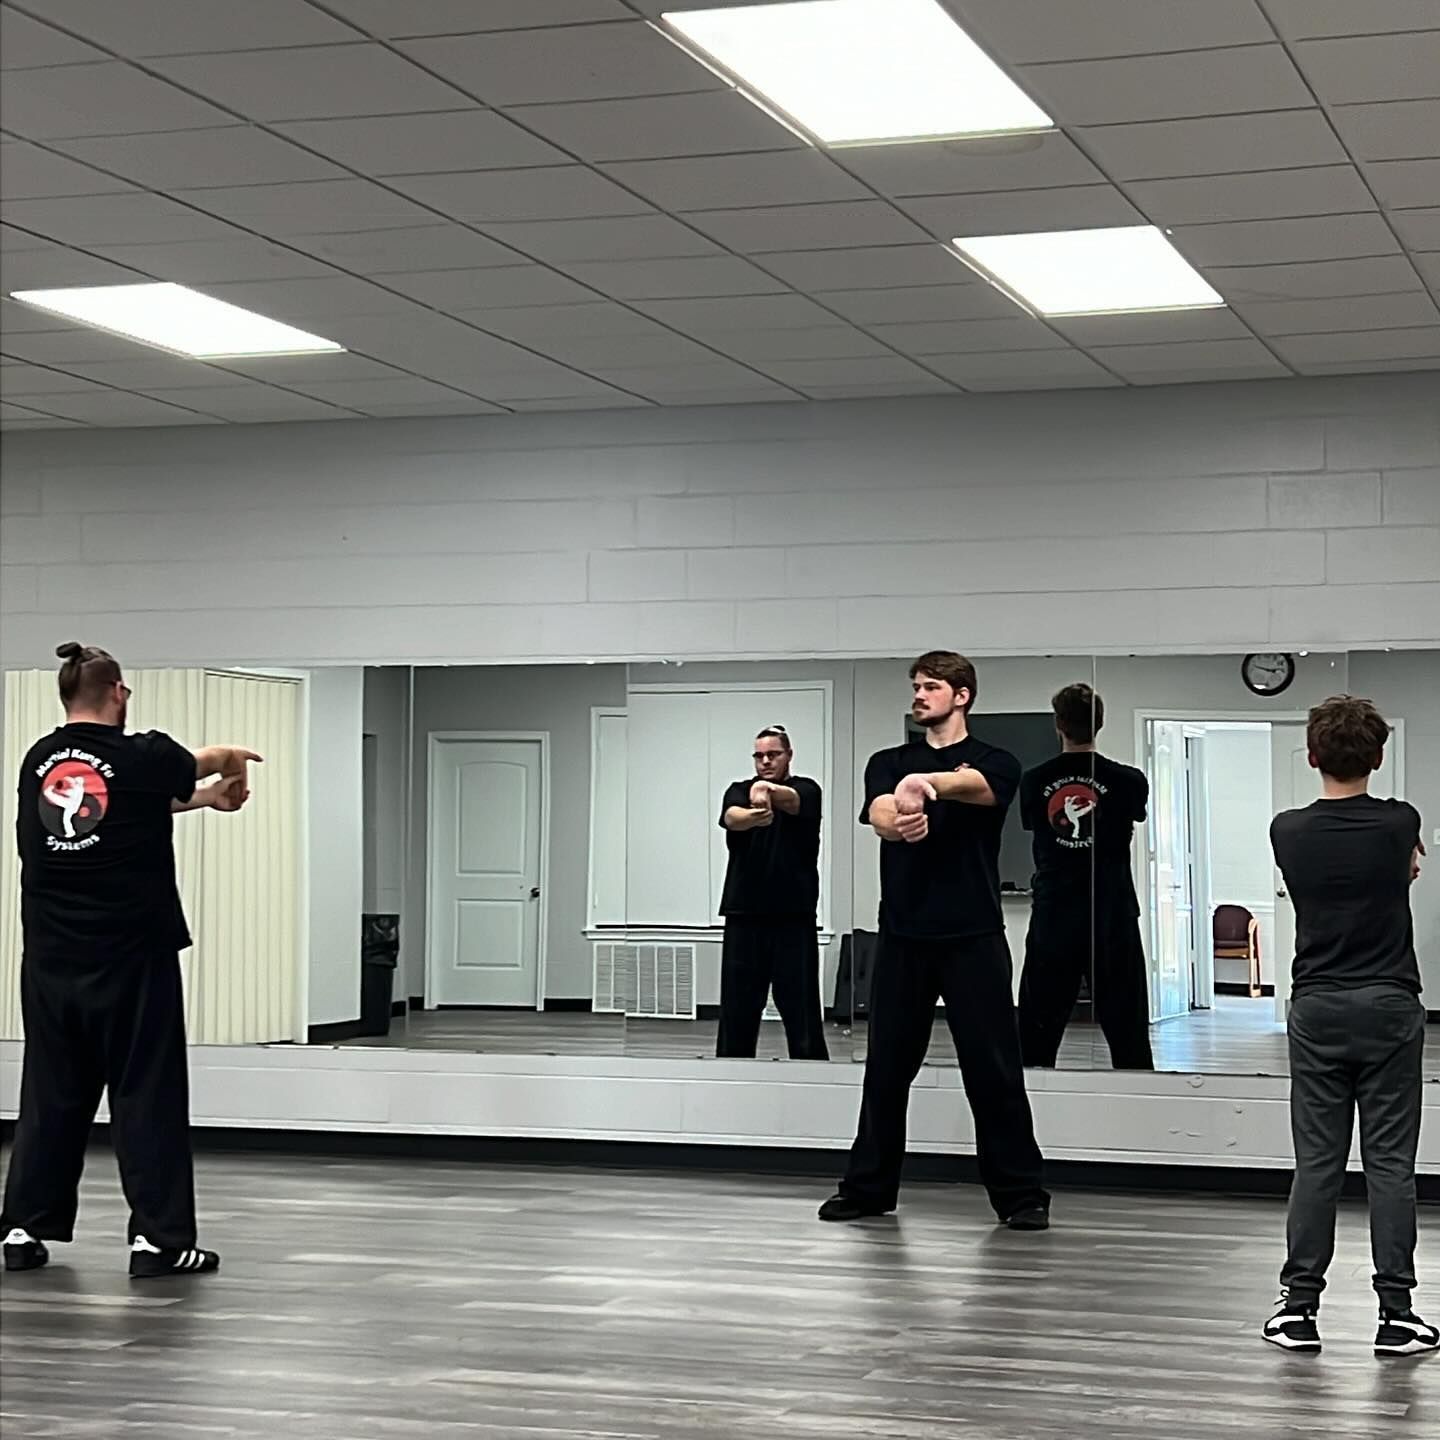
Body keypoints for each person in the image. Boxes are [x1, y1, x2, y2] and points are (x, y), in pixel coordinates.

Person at [2, 643, 261, 1280]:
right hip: (130, 960)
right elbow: (204, 760)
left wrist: (203, 801)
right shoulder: (140, 752)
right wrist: (230, 762)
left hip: (52, 962)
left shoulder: (40, 762)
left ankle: (20, 1228)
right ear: (118, 692)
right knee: (147, 1094)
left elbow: (112, 808)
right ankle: (161, 1241)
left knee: (50, 1095)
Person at [819, 652, 1049, 1229]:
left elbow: (975, 785)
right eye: (916, 687)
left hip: (973, 937)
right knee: (887, 1069)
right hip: (903, 937)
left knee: (993, 1070)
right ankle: (868, 1188)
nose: (919, 695)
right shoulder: (888, 760)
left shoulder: (997, 762)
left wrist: (926, 786)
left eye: (931, 687)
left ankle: (1020, 1196)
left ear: (962, 695)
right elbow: (878, 812)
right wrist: (900, 816)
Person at [1262, 695, 1436, 1358]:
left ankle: (1298, 1310)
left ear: (1311, 757)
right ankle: (1396, 1316)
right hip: (1390, 1005)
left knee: (1318, 1163)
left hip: (1318, 1007)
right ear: (1380, 757)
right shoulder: (1400, 823)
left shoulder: (1288, 830)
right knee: (1390, 1164)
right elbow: (1408, 861)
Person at [1016, 684, 1154, 1071]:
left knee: (1036, 1034)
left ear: (1058, 723)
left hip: (1055, 914)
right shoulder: (1129, 780)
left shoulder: (1033, 781)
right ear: (1101, 723)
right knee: (1127, 1030)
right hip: (1111, 914)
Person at [716, 726, 829, 1060]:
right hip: (743, 915)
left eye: (773, 754)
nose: (765, 761)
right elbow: (731, 817)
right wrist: (754, 815)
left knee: (801, 1008)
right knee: (738, 1009)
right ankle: (731, 1075)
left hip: (793, 917)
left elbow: (792, 801)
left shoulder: (807, 790)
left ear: (788, 755)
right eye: (759, 755)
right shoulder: (738, 791)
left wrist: (767, 790)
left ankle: (813, 1078)